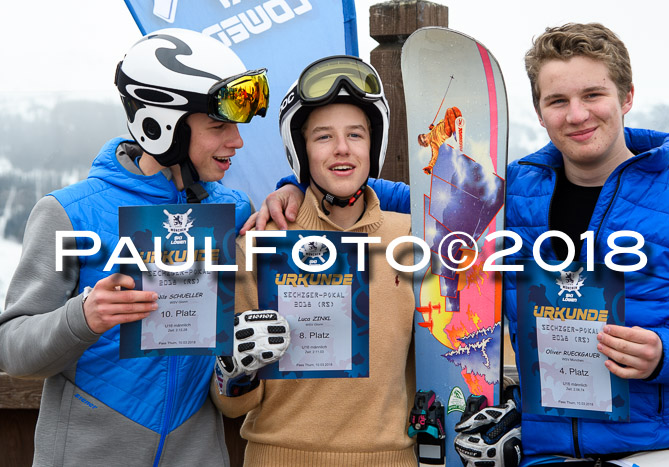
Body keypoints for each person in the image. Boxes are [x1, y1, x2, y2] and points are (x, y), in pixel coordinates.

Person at [0, 28, 290, 466]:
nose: (237, 140)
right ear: (163, 126)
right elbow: (12, 348)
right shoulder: (70, 213)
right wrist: (81, 318)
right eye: (218, 126)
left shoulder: (233, 211)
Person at [458, 22, 669, 465]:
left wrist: (666, 353)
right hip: (545, 452)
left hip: (663, 450)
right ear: (539, 111)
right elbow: (416, 199)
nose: (576, 115)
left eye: (593, 95)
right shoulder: (513, 194)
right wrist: (297, 187)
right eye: (557, 101)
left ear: (626, 98)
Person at [212, 55, 418, 466]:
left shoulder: (413, 237)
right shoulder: (262, 240)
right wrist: (235, 372)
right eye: (323, 137)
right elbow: (230, 405)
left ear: (372, 146)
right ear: (301, 150)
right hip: (279, 456)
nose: (342, 149)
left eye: (356, 135)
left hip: (390, 458)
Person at [418, 106, 463, 174]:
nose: (425, 136)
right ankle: (455, 133)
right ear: (426, 143)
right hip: (446, 131)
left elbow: (437, 128)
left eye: (423, 135)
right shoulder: (433, 144)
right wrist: (430, 167)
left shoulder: (432, 131)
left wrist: (433, 127)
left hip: (446, 124)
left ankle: (458, 123)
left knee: (454, 109)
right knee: (449, 111)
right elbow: (434, 156)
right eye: (424, 138)